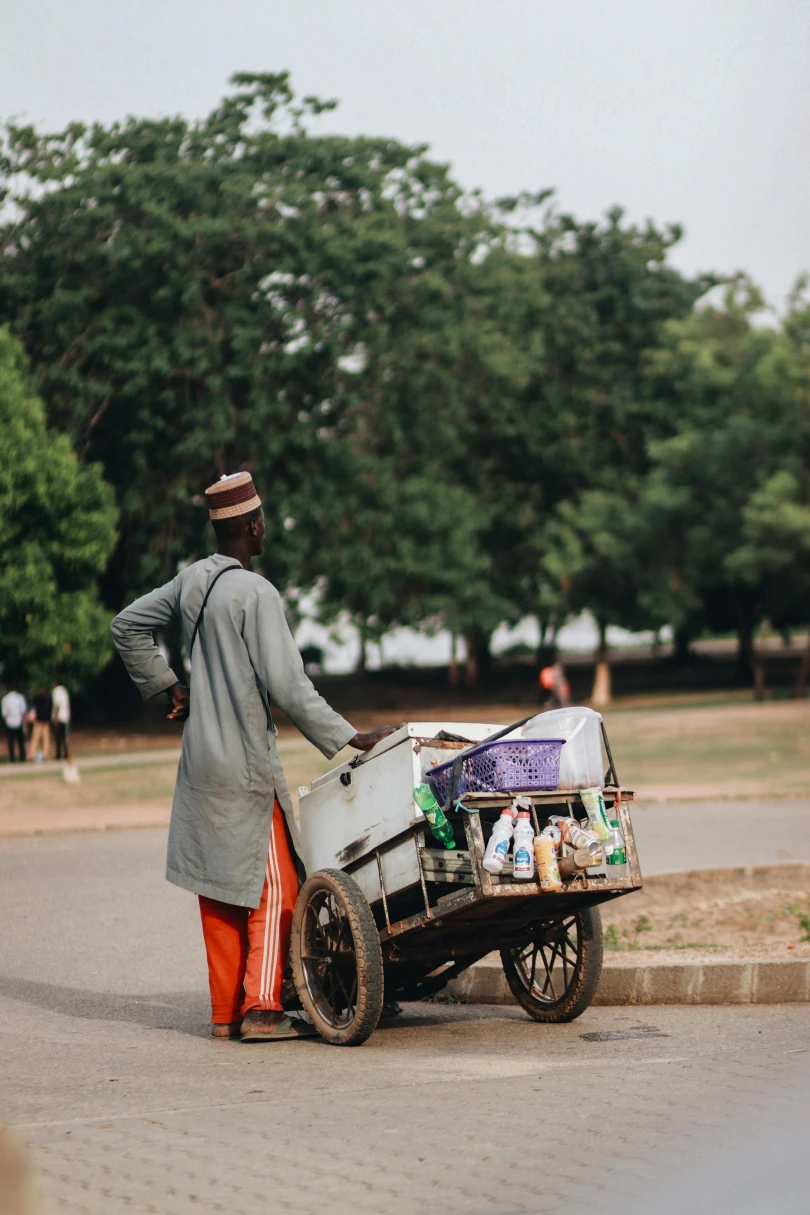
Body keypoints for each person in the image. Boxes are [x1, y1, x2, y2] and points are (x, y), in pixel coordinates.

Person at [111, 471, 395, 1043]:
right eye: (263, 522)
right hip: (244, 765)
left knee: (217, 887)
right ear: (253, 526)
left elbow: (127, 626)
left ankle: (224, 1013)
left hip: (200, 763)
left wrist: (168, 686)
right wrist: (350, 737)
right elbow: (290, 687)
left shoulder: (192, 581)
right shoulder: (257, 593)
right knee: (278, 886)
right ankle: (263, 1009)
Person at [1, 689, 27, 763]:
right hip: (19, 721)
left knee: (11, 741)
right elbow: (23, 710)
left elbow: (4, 713)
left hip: (9, 722)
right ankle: (22, 757)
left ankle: (12, 758)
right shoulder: (20, 697)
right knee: (20, 741)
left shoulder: (5, 699)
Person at [28, 688, 52, 763]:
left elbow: (34, 709)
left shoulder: (36, 699)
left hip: (38, 721)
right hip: (45, 721)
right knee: (45, 738)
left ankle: (32, 754)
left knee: (36, 738)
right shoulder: (48, 699)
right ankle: (45, 754)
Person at [51, 682, 71, 760]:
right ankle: (65, 753)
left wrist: (56, 718)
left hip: (60, 717)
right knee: (64, 737)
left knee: (58, 737)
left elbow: (57, 705)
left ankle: (58, 754)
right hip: (65, 717)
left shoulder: (57, 691)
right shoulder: (64, 691)